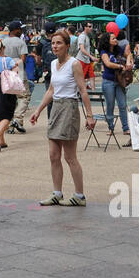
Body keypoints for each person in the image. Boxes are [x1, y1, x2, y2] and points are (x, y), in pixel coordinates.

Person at [30, 29, 94, 206]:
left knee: (70, 156)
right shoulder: (53, 64)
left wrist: (89, 116)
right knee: (53, 155)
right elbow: (51, 90)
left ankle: (79, 196)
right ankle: (57, 193)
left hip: (69, 107)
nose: (55, 46)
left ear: (67, 45)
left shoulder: (74, 64)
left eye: (59, 43)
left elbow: (82, 90)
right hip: (56, 107)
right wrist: (38, 110)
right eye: (53, 43)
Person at [98, 29, 134, 141]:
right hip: (108, 81)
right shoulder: (104, 52)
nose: (115, 40)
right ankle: (111, 127)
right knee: (110, 105)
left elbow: (129, 54)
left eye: (115, 38)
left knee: (123, 105)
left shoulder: (118, 50)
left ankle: (126, 128)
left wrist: (128, 61)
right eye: (113, 38)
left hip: (119, 81)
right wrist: (119, 66)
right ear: (107, 41)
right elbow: (108, 63)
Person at [2, 21, 31, 132]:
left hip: (6, 73)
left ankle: (9, 124)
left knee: (10, 98)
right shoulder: (20, 42)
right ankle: (17, 119)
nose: (21, 31)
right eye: (20, 29)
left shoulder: (3, 41)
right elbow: (23, 59)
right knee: (24, 96)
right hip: (19, 72)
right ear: (15, 30)